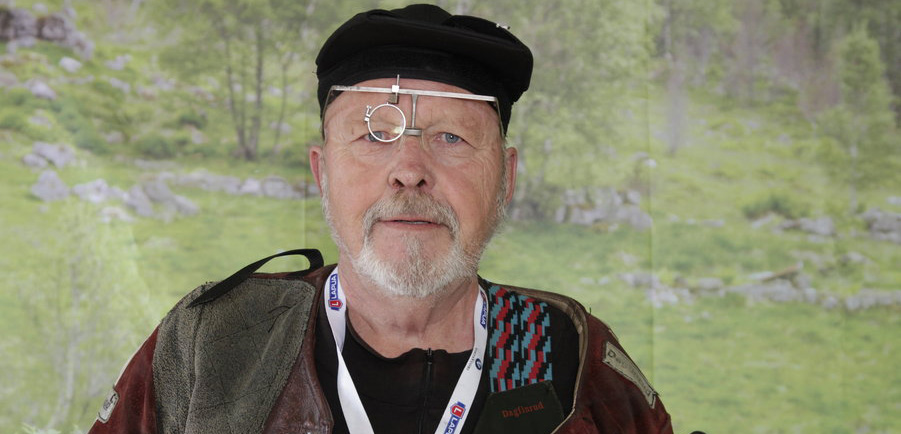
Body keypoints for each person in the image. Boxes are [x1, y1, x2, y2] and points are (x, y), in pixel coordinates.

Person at [89, 4, 673, 433]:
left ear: (506, 178)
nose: (409, 171)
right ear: (322, 172)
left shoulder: (565, 350)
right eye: (373, 136)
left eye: (451, 137)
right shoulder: (215, 340)